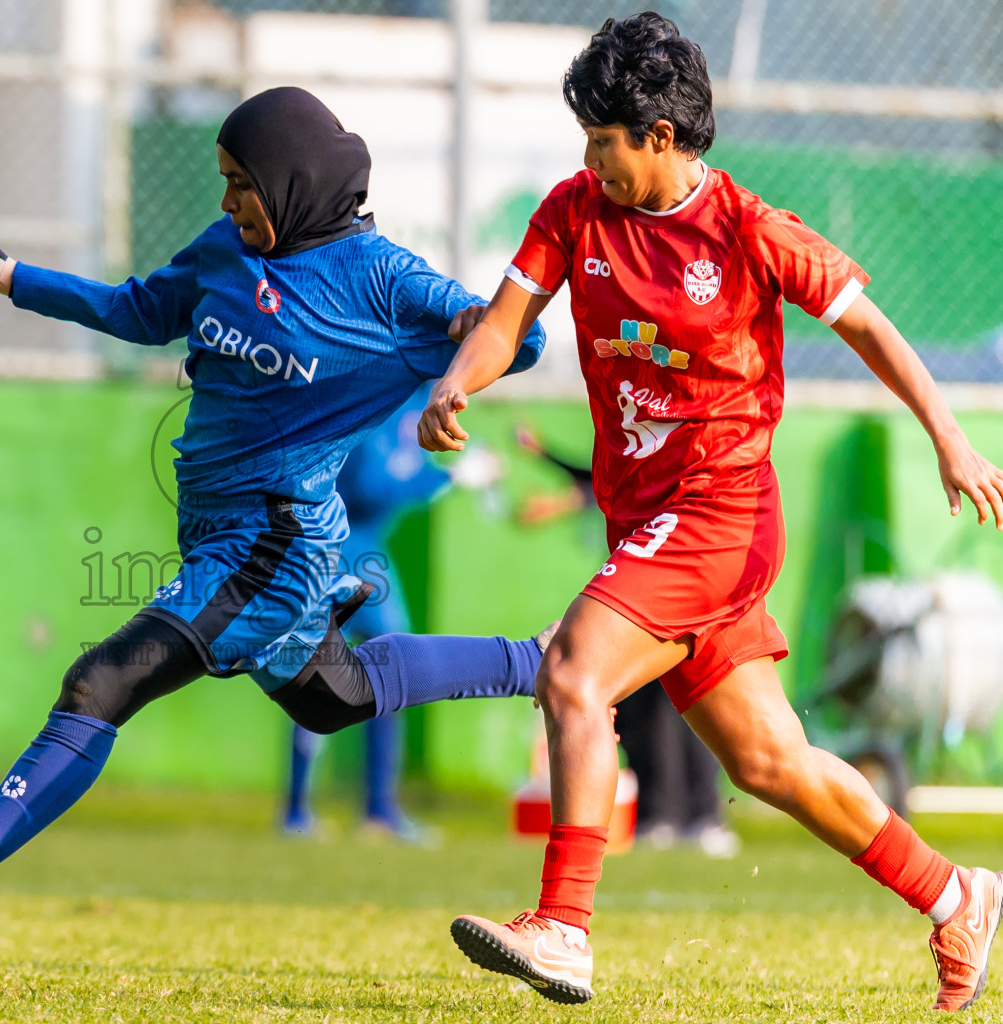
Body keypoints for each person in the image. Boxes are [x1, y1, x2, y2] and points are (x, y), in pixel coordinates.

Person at [418, 13, 1003, 1010]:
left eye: (605, 142)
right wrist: (455, 384)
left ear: (659, 137)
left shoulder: (749, 230)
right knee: (771, 760)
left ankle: (564, 923)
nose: (589, 160)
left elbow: (872, 328)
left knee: (572, 672)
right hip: (647, 521)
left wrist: (949, 434)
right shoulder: (571, 211)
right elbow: (508, 314)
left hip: (722, 516)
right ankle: (957, 893)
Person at [0, 87, 554, 944]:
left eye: (242, 183)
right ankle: (533, 662)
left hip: (274, 542)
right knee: (334, 699)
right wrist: (12, 276)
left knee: (101, 681)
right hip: (222, 536)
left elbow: (521, 339)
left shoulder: (385, 281)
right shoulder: (220, 255)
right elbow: (136, 308)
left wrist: (469, 336)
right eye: (225, 180)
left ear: (294, 181)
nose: (228, 201)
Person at [281, 389, 502, 843]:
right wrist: (453, 479)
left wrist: (455, 474)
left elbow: (405, 472)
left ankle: (377, 810)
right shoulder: (386, 395)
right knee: (312, 676)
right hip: (334, 548)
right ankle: (298, 810)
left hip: (367, 552)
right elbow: (368, 488)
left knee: (391, 671)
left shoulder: (421, 401)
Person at [517, 423, 736, 856]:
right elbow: (595, 478)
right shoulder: (640, 457)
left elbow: (594, 480)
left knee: (690, 708)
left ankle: (695, 816)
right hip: (648, 597)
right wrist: (546, 461)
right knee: (650, 709)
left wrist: (552, 478)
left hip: (675, 593)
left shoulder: (688, 454)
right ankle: (667, 816)